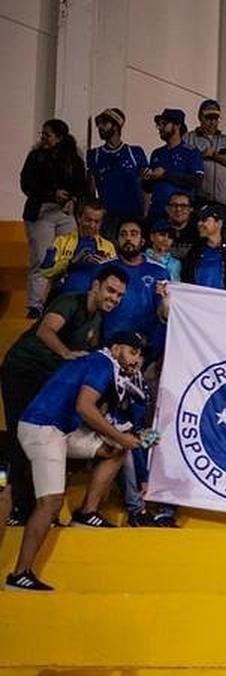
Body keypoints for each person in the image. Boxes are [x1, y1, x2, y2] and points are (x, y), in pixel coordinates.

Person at [5, 332, 147, 592]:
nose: (136, 359)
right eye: (132, 352)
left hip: (60, 430)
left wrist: (122, 439)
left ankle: (87, 513)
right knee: (50, 503)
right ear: (115, 348)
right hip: (43, 428)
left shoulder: (103, 365)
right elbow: (85, 407)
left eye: (139, 355)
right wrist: (121, 437)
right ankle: (20, 575)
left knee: (113, 449)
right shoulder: (102, 364)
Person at [1, 266, 128, 525]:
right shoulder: (70, 301)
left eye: (119, 295)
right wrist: (66, 354)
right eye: (110, 290)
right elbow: (45, 331)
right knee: (19, 438)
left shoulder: (97, 321)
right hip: (22, 372)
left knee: (50, 437)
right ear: (95, 286)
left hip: (50, 382)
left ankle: (43, 509)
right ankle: (18, 508)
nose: (114, 298)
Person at [21, 119, 87, 318]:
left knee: (67, 254)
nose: (43, 138)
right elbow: (26, 184)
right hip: (41, 211)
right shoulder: (36, 157)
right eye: (42, 134)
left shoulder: (74, 159)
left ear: (59, 137)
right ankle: (35, 304)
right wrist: (52, 194)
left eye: (47, 135)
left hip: (65, 212)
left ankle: (59, 298)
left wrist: (73, 200)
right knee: (42, 257)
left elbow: (80, 184)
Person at [98, 220, 172, 359]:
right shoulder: (104, 268)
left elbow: (164, 314)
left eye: (134, 234)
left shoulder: (159, 272)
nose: (128, 238)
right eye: (123, 234)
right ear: (117, 240)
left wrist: (164, 300)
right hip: (111, 345)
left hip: (146, 348)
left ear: (142, 241)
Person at [86, 108, 148, 239]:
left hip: (133, 214)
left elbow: (146, 186)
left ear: (116, 125)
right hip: (107, 216)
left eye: (105, 123)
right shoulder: (95, 155)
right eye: (99, 124)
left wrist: (145, 212)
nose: (100, 127)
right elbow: (90, 187)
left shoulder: (134, 152)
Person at [182, 99, 226, 221]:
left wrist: (223, 160)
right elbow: (182, 164)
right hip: (197, 201)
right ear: (200, 117)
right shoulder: (189, 139)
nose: (212, 122)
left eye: (216, 118)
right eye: (209, 118)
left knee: (223, 238)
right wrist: (201, 156)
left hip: (223, 204)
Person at [37, 200, 115, 296]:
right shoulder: (61, 241)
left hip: (95, 300)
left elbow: (113, 278)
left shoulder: (108, 247)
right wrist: (71, 262)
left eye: (96, 222)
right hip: (64, 297)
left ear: (101, 223)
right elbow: (46, 272)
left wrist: (103, 266)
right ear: (79, 218)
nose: (92, 225)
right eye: (88, 220)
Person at [143, 108, 203, 225]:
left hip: (179, 216)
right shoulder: (157, 153)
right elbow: (148, 188)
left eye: (164, 124)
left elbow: (196, 181)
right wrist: (146, 179)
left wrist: (165, 175)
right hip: (157, 213)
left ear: (177, 125)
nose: (160, 128)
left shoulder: (191, 152)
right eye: (158, 125)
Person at [180, 204, 226, 290]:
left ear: (219, 223)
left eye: (204, 220)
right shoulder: (194, 252)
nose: (199, 223)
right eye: (199, 220)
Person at [164, 192, 200, 261]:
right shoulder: (156, 231)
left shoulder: (198, 233)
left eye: (184, 206)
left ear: (191, 209)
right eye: (174, 205)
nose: (178, 209)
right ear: (167, 208)